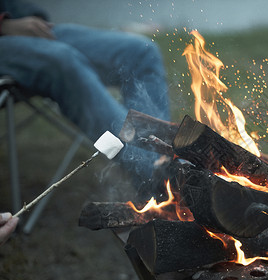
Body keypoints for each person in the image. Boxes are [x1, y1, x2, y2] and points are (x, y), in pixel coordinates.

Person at [0, 0, 170, 192]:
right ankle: (160, 179)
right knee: (62, 61)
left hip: (22, 21)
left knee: (142, 52)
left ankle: (164, 159)